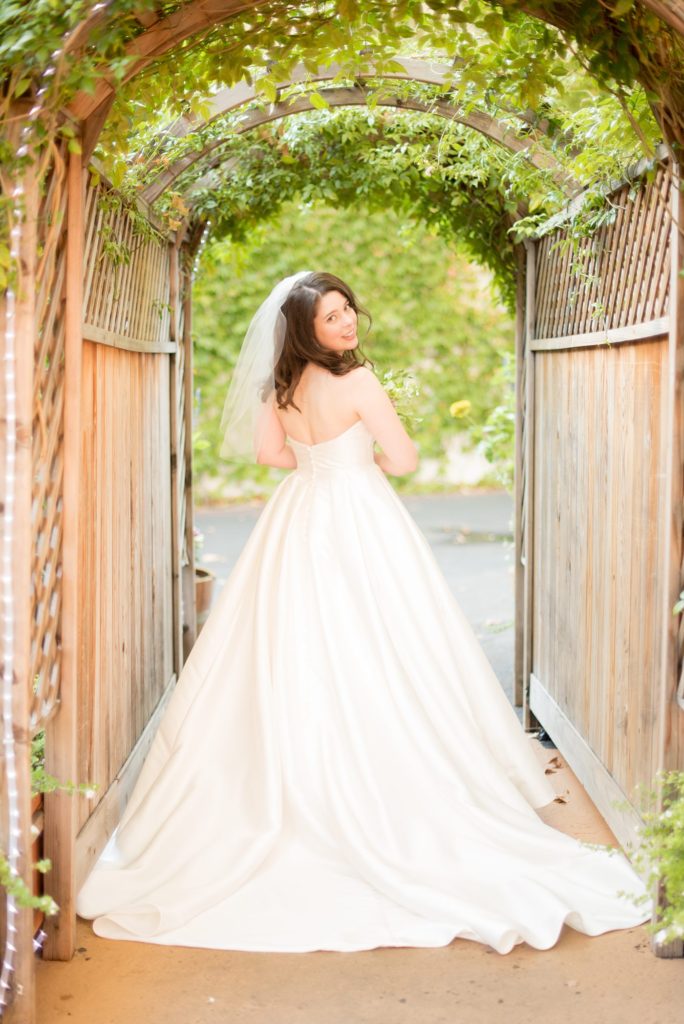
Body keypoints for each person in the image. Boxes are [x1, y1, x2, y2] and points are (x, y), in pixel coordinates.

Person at [76, 271, 651, 953]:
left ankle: (294, 786)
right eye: (331, 316)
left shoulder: (280, 388)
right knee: (389, 643)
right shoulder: (358, 382)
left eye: (347, 309)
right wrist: (361, 457)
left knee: (294, 646)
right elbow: (404, 459)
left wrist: (319, 461)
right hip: (361, 513)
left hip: (300, 515)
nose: (347, 321)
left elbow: (268, 454)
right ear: (308, 330)